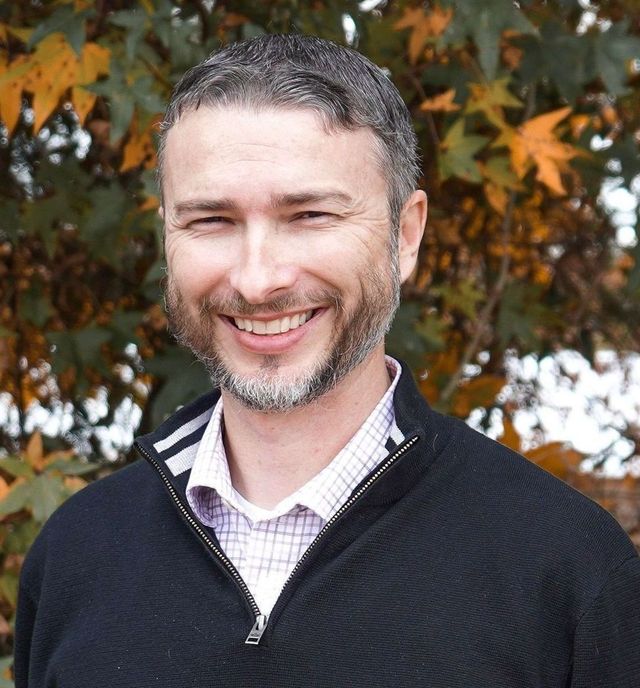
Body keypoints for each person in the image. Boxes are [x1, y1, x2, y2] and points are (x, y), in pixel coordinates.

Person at [15, 34, 640, 688]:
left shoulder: (565, 570)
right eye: (211, 221)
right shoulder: (76, 556)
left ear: (405, 235)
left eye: (310, 215)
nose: (258, 280)